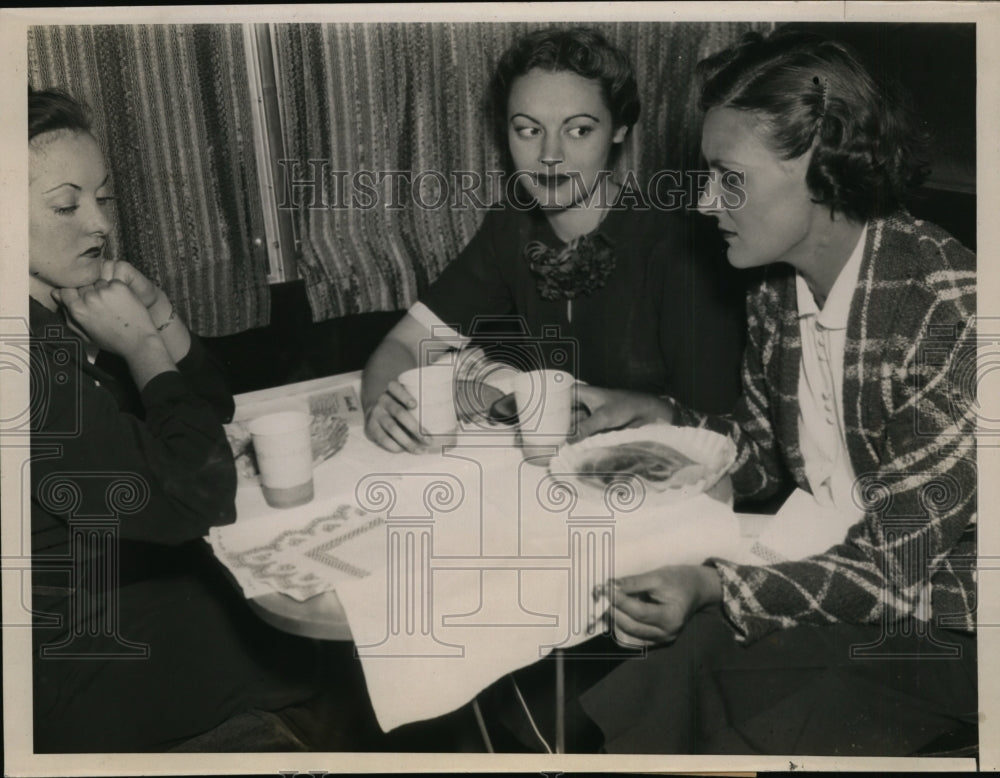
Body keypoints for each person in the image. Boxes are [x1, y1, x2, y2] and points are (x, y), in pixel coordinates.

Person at [571, 30, 977, 755]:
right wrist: (662, 418)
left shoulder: (952, 317)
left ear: (823, 169)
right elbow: (760, 455)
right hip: (841, 560)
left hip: (954, 623)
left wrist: (718, 587)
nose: (702, 201)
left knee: (700, 672)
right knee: (664, 664)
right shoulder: (775, 288)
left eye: (729, 176)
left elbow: (894, 572)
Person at [27, 87, 345, 753]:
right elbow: (193, 495)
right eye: (66, 204)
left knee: (296, 584)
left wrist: (160, 314)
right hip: (57, 665)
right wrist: (141, 348)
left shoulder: (48, 308)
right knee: (306, 626)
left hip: (105, 589)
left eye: (103, 197)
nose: (99, 223)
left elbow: (210, 412)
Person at [362, 26, 747, 452]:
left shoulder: (681, 247)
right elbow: (402, 345)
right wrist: (385, 409)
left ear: (619, 129)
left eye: (578, 130)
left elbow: (717, 433)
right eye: (528, 130)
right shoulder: (510, 228)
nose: (549, 155)